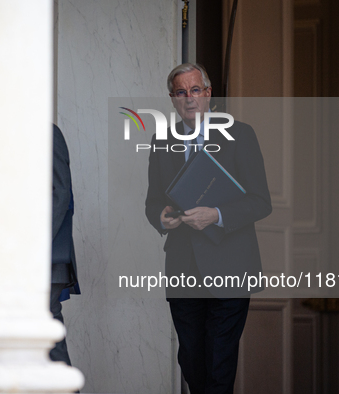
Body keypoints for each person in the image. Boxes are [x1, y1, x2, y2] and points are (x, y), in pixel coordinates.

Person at [145, 63, 272, 393]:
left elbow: (261, 201)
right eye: (181, 92)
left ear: (209, 93)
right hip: (183, 268)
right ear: (172, 99)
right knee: (190, 360)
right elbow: (152, 203)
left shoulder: (239, 134)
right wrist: (163, 218)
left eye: (196, 90)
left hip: (230, 267)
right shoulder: (162, 141)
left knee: (218, 363)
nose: (190, 99)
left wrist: (215, 214)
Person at [50, 123, 79, 366]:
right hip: (15, 259)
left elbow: (62, 193)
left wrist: (33, 245)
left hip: (47, 257)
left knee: (48, 332)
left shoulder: (48, 133)